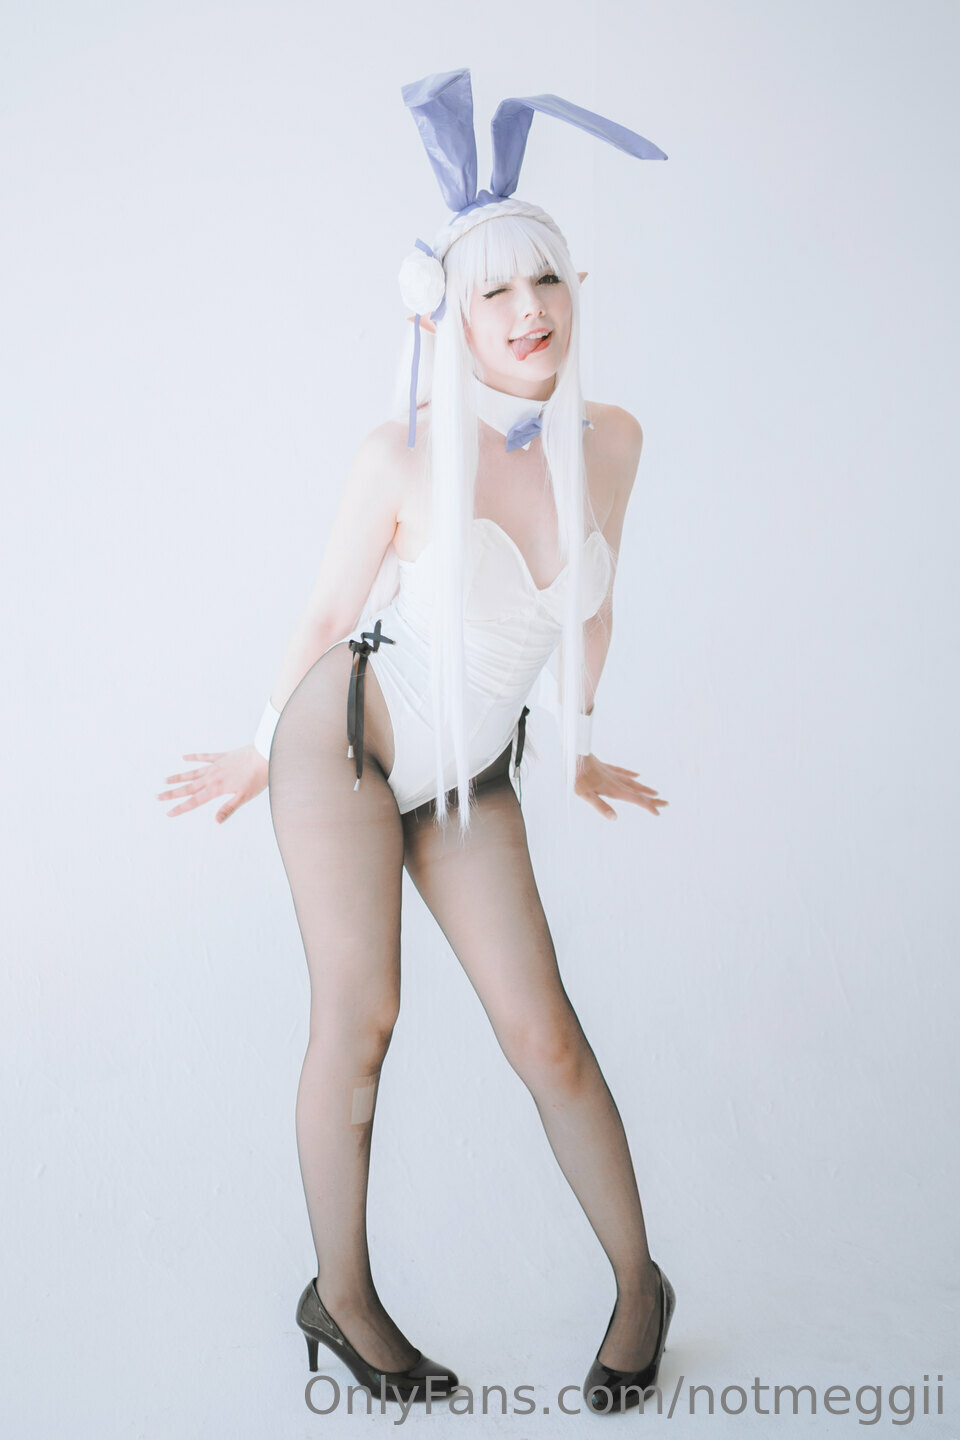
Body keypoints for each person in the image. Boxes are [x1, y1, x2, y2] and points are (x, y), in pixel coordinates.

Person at [157, 69, 674, 1416]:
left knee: (544, 1036)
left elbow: (591, 606)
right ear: (449, 314)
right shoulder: (402, 454)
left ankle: (642, 1285)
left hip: (473, 773)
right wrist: (258, 744)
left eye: (545, 281)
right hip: (345, 746)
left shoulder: (613, 441)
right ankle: (341, 1296)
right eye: (496, 293)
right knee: (364, 1019)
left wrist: (579, 744)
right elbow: (329, 614)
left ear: (573, 291)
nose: (529, 311)